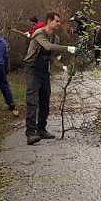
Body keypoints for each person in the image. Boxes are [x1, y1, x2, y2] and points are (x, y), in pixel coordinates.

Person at [24, 12, 78, 144]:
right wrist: (68, 48)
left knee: (45, 100)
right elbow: (47, 46)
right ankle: (31, 133)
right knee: (32, 100)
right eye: (57, 21)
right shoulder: (39, 34)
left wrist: (63, 67)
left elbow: (51, 57)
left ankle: (41, 129)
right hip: (32, 69)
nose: (59, 24)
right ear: (49, 21)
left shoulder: (56, 38)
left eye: (59, 21)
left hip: (44, 71)